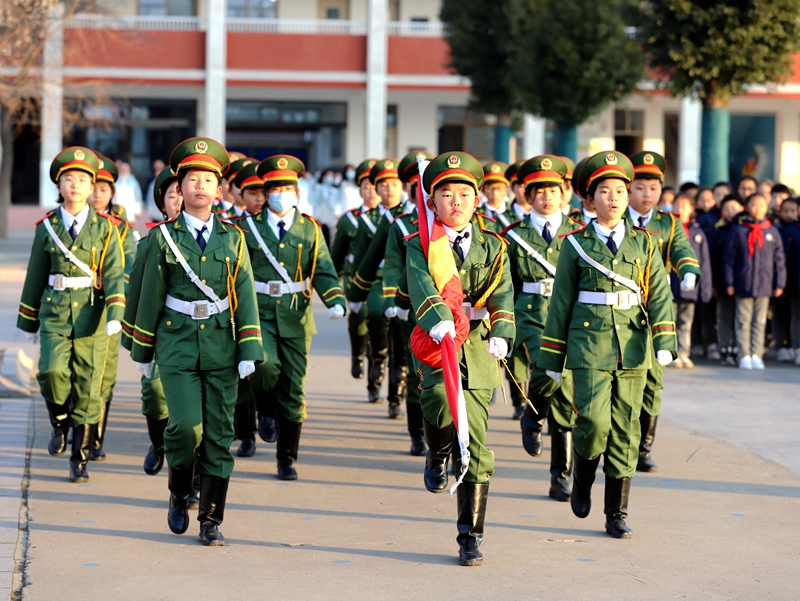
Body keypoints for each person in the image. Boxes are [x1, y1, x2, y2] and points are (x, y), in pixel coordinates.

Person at [129, 137, 264, 546]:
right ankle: (178, 490)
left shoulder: (234, 237)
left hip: (222, 344)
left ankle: (210, 519)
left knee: (220, 435)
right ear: (179, 187)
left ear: (220, 190)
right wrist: (143, 351)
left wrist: (249, 348)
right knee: (186, 428)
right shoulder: (161, 239)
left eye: (208, 179)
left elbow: (244, 293)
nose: (200, 186)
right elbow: (149, 293)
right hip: (177, 343)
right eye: (192, 179)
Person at [538, 150, 676, 539]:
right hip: (588, 345)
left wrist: (664, 338)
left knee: (625, 428)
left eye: (620, 190)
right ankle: (582, 480)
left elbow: (660, 294)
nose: (614, 197)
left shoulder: (644, 242)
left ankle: (616, 511)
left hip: (632, 346)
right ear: (588, 200)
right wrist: (551, 358)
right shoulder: (575, 245)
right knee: (593, 422)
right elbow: (561, 303)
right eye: (604, 190)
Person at [406, 151, 515, 566]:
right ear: (431, 202)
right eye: (446, 194)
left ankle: (469, 536)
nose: (456, 201)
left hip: (480, 347)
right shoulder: (421, 244)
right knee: (436, 401)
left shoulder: (495, 246)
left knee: (479, 444)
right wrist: (437, 319)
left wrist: (503, 329)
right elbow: (419, 284)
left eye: (464, 194)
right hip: (438, 343)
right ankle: (437, 449)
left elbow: (503, 292)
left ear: (477, 199)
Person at [17, 147, 125, 483]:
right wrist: (28, 320)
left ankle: (79, 459)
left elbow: (113, 271)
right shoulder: (46, 227)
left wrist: (115, 310)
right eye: (68, 179)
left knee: (90, 388)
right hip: (55, 314)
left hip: (92, 316)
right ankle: (59, 422)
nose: (75, 185)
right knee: (50, 372)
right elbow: (36, 273)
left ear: (93, 187)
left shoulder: (106, 227)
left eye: (82, 179)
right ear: (59, 186)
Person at [240, 154, 346, 480]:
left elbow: (324, 270)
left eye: (288, 187)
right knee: (264, 364)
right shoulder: (247, 229)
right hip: (258, 312)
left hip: (297, 315)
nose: (281, 193)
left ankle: (286, 458)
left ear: (297, 192)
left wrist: (334, 299)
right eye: (275, 188)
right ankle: (264, 411)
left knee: (293, 389)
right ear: (266, 191)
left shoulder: (311, 229)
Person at [504, 155, 578, 501]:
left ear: (564, 194)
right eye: (539, 191)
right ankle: (533, 418)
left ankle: (560, 476)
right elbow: (506, 285)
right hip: (531, 314)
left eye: (553, 190)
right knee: (549, 369)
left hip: (569, 316)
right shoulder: (513, 236)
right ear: (526, 196)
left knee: (565, 396)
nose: (547, 197)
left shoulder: (579, 233)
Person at [627, 151, 700, 473]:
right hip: (621, 311)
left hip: (657, 312)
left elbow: (682, 249)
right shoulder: (612, 219)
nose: (647, 194)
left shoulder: (668, 223)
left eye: (653, 188)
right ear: (628, 189)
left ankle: (643, 447)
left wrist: (688, 270)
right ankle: (619, 442)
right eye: (640, 187)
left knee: (653, 381)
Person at [122, 167, 183, 479]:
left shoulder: (220, 238)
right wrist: (134, 343)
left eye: (183, 193)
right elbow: (137, 294)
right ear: (162, 203)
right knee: (155, 394)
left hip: (203, 335)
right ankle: (158, 444)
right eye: (172, 195)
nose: (179, 201)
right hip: (161, 334)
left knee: (198, 415)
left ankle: (193, 480)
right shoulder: (151, 242)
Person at [345, 158, 414, 403]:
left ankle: (396, 391)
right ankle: (377, 358)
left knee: (401, 333)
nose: (390, 190)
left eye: (395, 184)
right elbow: (362, 260)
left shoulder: (409, 215)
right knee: (375, 314)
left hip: (406, 278)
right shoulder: (367, 219)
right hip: (375, 279)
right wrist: (354, 294)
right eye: (383, 185)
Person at [86, 152, 137, 461]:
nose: (95, 195)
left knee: (102, 373)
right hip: (74, 306)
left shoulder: (120, 225)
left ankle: (94, 438)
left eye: (102, 189)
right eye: (93, 187)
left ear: (112, 192)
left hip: (108, 307)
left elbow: (129, 263)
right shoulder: (63, 219)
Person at [722, 193, 786, 370]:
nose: (758, 209)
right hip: (742, 284)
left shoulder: (772, 232)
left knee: (760, 321)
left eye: (762, 205)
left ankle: (757, 354)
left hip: (765, 286)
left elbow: (779, 261)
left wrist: (779, 284)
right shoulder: (738, 230)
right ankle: (744, 354)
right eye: (754, 205)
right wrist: (729, 282)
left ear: (767, 208)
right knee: (743, 321)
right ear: (747, 207)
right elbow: (728, 259)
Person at [330, 159, 380, 381]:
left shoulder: (389, 219)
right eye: (366, 187)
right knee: (359, 316)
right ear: (359, 190)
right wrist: (333, 281)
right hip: (355, 275)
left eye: (374, 187)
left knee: (380, 320)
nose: (371, 192)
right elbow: (338, 254)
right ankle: (357, 355)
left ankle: (377, 368)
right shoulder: (349, 220)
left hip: (381, 277)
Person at [669, 193, 712, 368]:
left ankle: (684, 352)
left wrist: (705, 288)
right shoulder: (669, 228)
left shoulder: (697, 232)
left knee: (686, 321)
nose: (680, 209)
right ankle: (670, 353)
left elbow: (704, 262)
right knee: (669, 320)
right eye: (677, 205)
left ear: (692, 209)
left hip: (690, 287)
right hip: (670, 284)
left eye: (684, 206)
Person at [780, 210, 800, 365]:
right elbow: (783, 259)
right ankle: (797, 348)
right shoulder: (791, 230)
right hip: (795, 283)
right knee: (797, 318)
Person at [476, 161, 511, 227]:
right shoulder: (476, 215)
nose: (495, 192)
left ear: (506, 190)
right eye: (490, 188)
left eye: (499, 188)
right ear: (483, 190)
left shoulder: (515, 214)